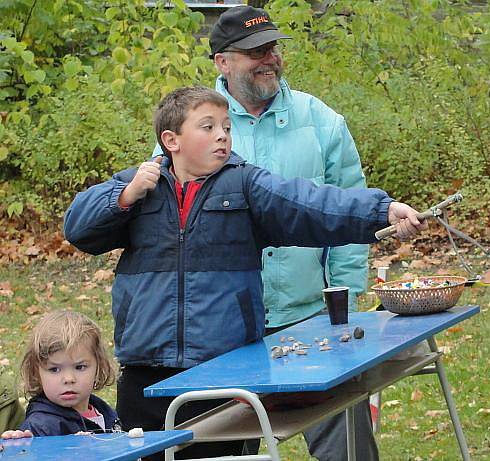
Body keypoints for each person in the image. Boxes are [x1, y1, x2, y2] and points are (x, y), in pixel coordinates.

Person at [65, 86, 425, 460]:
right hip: (145, 369)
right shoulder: (141, 186)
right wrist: (125, 195)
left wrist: (381, 211)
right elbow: (78, 228)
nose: (222, 135)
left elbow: (312, 205)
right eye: (207, 127)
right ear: (170, 140)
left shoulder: (245, 184)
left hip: (223, 368)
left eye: (226, 126)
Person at [209, 6, 378, 460]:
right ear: (222, 62)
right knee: (226, 449)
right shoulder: (195, 124)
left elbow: (351, 212)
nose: (269, 58)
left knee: (348, 447)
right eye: (254, 51)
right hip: (226, 324)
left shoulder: (320, 119)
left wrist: (344, 299)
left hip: (310, 315)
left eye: (273, 47)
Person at [1, 310, 119, 439]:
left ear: (99, 366)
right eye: (54, 369)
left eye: (80, 367)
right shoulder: (40, 428)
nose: (69, 379)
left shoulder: (104, 411)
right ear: (36, 373)